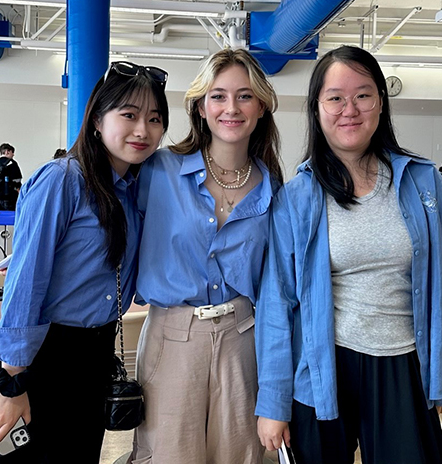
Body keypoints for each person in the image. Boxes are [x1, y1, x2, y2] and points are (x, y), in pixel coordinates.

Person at [255, 45, 442, 464]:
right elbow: (277, 304)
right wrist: (274, 402)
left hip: (406, 365)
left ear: (381, 103)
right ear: (317, 109)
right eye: (334, 97)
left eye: (363, 95)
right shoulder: (297, 197)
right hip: (323, 367)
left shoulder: (424, 183)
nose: (349, 109)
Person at [0, 60, 169, 464]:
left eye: (154, 118)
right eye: (128, 115)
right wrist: (12, 381)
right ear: (97, 119)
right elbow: (27, 280)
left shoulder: (133, 193)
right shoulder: (63, 179)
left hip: (90, 362)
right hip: (36, 360)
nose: (142, 130)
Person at [129, 48, 283, 464]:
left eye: (244, 96)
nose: (231, 108)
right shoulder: (158, 170)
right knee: (167, 455)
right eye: (218, 96)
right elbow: (105, 221)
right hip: (171, 335)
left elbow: (276, 290)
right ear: (200, 106)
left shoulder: (274, 190)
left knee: (238, 456)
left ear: (262, 107)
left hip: (242, 338)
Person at [0, 143, 23, 211]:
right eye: (12, 152)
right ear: (7, 151)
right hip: (9, 198)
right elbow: (17, 181)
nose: (13, 155)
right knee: (9, 218)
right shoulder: (12, 163)